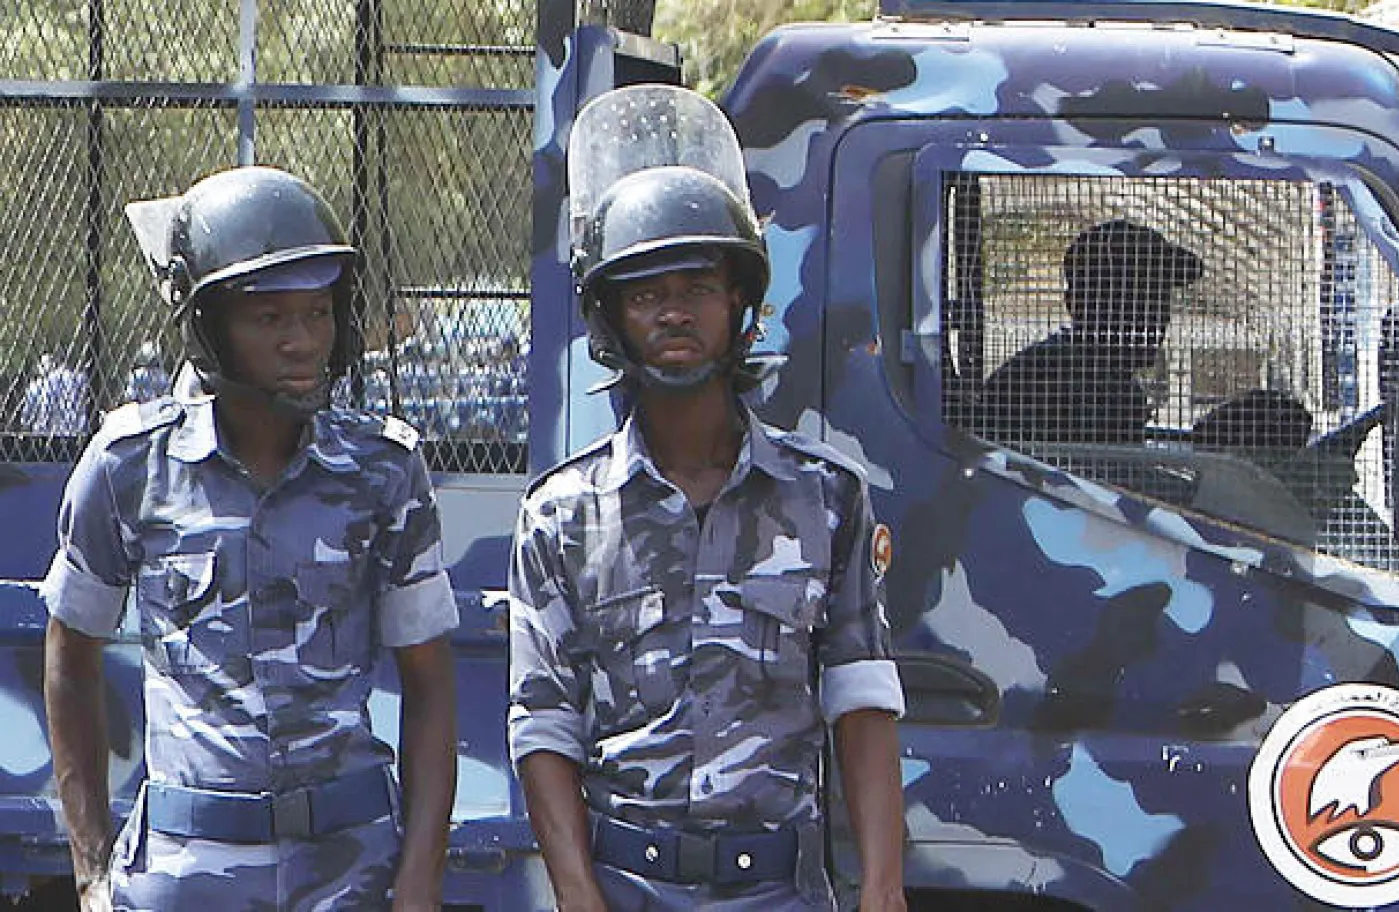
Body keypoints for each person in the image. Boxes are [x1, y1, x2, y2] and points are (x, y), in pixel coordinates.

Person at [508, 85, 907, 911]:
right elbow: (543, 727)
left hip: (780, 890)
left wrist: (883, 887)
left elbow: (861, 701)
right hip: (627, 884)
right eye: (647, 294)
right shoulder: (562, 515)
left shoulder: (826, 497)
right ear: (611, 317)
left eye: (697, 286)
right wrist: (580, 894)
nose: (675, 313)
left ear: (740, 304)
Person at [42, 166, 458, 911]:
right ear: (209, 328)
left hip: (349, 868)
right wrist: (92, 873)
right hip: (187, 872)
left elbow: (430, 686)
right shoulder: (129, 465)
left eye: (319, 312)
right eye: (268, 318)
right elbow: (71, 664)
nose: (302, 341)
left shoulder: (383, 470)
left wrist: (419, 881)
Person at [979, 218, 1203, 445]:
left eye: (1160, 298)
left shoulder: (1110, 382)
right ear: (1078, 304)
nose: (1155, 317)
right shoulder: (1045, 384)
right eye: (1132, 299)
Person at [20, 351, 90, 435]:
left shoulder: (48, 382)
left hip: (55, 432)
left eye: (42, 364)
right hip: (80, 431)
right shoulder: (81, 378)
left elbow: (45, 407)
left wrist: (35, 426)